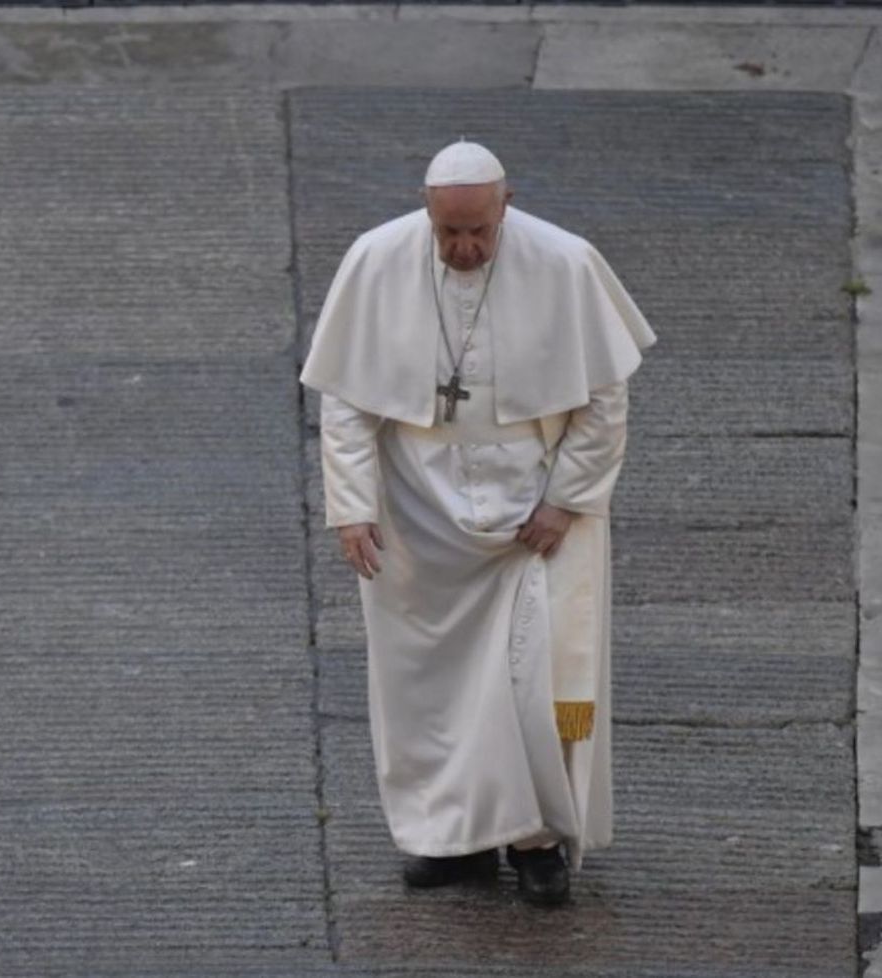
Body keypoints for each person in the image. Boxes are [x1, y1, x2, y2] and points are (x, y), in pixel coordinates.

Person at [299, 140, 656, 907]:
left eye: (478, 234)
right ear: (427, 212)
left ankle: (533, 842)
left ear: (507, 205)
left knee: (529, 683)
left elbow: (603, 399)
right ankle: (446, 837)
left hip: (535, 518)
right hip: (419, 517)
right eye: (447, 234)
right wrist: (353, 505)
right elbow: (348, 402)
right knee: (427, 690)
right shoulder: (376, 259)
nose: (463, 249)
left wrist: (566, 498)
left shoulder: (564, 264)